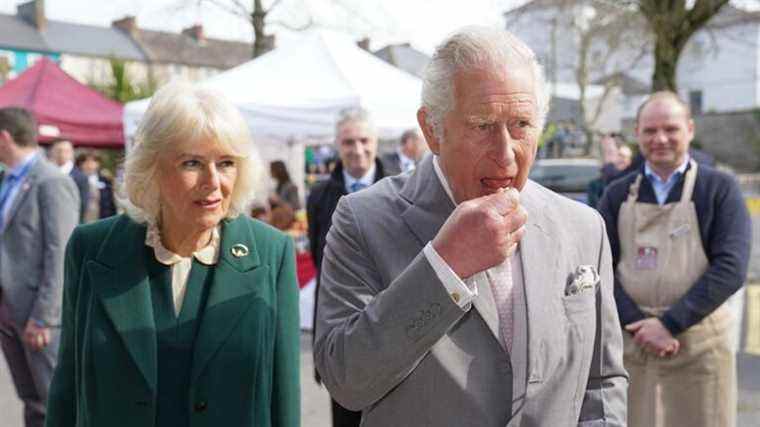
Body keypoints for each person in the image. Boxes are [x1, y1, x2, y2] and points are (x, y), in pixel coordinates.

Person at [314, 26, 627, 427]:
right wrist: (444, 266)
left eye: (521, 125)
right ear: (432, 130)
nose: (506, 154)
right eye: (482, 126)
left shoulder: (583, 227)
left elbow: (601, 382)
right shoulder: (363, 220)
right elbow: (346, 380)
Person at [45, 82, 301, 427]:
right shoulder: (91, 249)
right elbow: (67, 387)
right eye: (192, 162)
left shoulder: (272, 253)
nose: (213, 181)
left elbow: (284, 398)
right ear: (152, 166)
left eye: (225, 163)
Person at [598, 91, 751, 427]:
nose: (660, 139)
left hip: (699, 348)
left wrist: (668, 324)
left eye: (671, 129)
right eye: (650, 131)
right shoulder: (617, 194)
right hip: (633, 346)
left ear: (690, 130)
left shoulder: (719, 188)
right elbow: (599, 266)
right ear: (637, 134)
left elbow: (731, 268)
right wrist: (639, 325)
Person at [306, 107, 387, 427]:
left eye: (364, 140)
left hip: (393, 324)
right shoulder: (319, 196)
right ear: (338, 145)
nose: (357, 150)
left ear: (376, 142)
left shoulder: (403, 187)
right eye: (349, 142)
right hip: (342, 329)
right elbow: (318, 260)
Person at [0, 107, 80, 427]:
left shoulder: (51, 182)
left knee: (53, 401)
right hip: (9, 310)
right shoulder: (8, 180)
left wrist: (44, 316)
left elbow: (60, 253)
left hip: (37, 316)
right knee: (30, 398)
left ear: (4, 138)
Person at [48, 140, 88, 223]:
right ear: (52, 152)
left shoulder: (80, 177)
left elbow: (82, 206)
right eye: (59, 151)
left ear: (72, 153)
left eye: (66, 151)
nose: (62, 154)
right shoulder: (46, 173)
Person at [74, 151, 116, 222]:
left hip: (102, 219)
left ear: (98, 164)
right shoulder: (75, 180)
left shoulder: (105, 180)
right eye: (86, 162)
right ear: (80, 164)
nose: (90, 165)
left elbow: (111, 203)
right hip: (82, 220)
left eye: (93, 162)